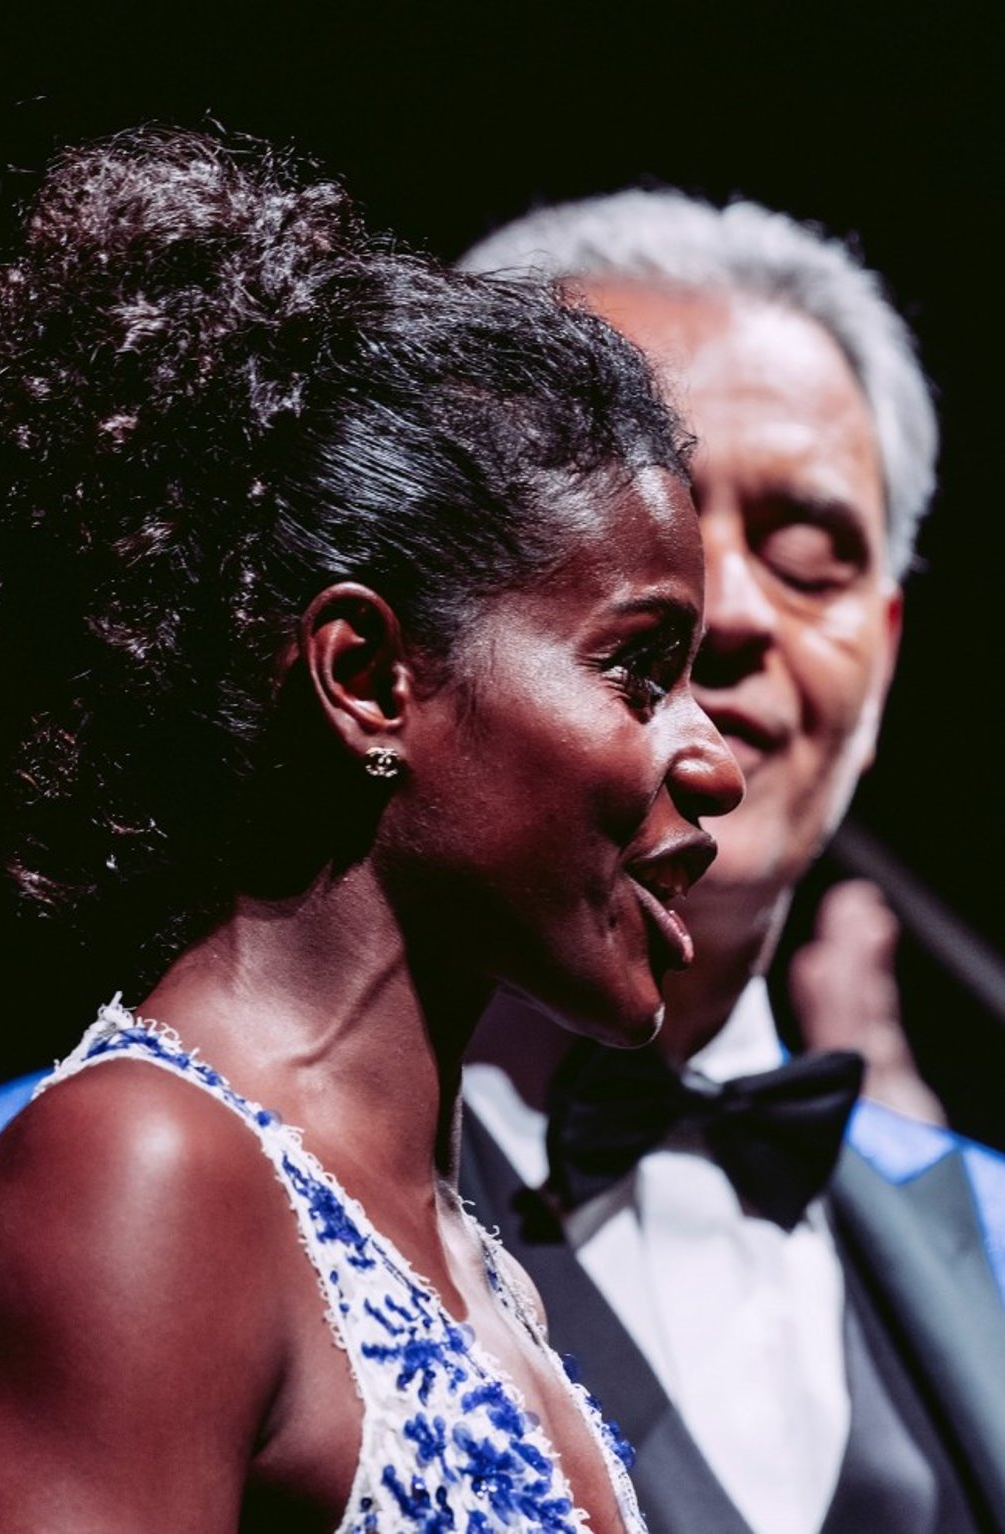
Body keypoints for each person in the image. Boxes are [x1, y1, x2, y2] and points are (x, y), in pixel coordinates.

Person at [0, 133, 745, 1531]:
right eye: (638, 671)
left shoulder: (476, 1260)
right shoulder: (146, 1171)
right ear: (370, 678)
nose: (715, 762)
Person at [458, 191, 1005, 1534]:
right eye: (648, 522)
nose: (737, 609)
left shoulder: (992, 1228)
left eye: (810, 557)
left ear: (884, 646)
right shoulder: (93, 1177)